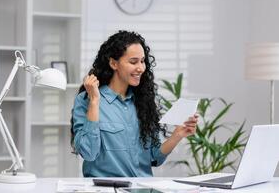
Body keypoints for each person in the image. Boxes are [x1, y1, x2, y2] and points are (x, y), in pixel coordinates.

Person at [71, 30, 198, 177]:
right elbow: (88, 152)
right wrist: (94, 101)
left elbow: (154, 157)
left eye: (142, 61)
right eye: (133, 62)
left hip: (142, 187)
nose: (141, 68)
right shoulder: (87, 100)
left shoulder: (143, 102)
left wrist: (178, 135)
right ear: (113, 63)